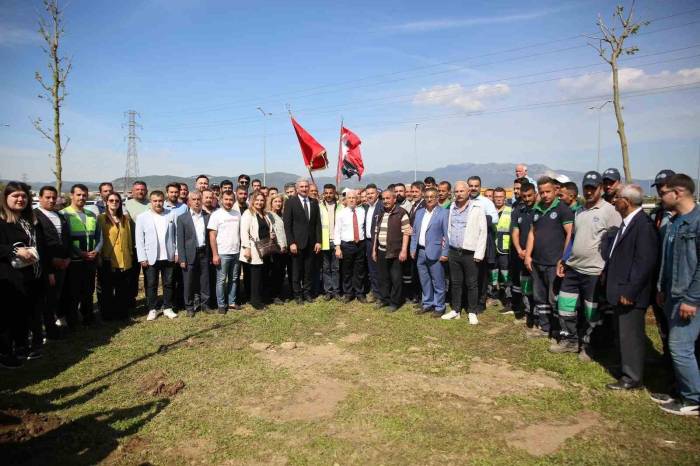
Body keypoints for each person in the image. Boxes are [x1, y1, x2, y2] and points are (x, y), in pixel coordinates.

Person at [550, 171, 620, 354]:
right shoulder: (579, 211)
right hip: (573, 268)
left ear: (600, 188)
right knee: (565, 305)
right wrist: (564, 259)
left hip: (594, 271)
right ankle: (570, 340)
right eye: (586, 188)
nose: (588, 191)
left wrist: (609, 269)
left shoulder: (610, 211)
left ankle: (590, 345)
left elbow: (616, 243)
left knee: (592, 312)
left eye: (592, 188)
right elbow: (572, 237)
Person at [604, 184, 658, 390]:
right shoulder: (628, 223)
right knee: (623, 333)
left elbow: (644, 262)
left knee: (631, 335)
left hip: (630, 293)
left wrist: (630, 291)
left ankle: (632, 378)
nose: (613, 201)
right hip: (619, 288)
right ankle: (626, 367)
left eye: (617, 198)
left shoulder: (643, 225)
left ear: (625, 202)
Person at [657, 174, 700, 416]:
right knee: (677, 346)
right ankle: (681, 391)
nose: (661, 197)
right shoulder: (675, 222)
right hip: (673, 294)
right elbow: (668, 260)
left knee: (680, 347)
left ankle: (692, 399)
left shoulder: (696, 222)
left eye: (664, 193)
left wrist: (692, 299)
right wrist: (662, 289)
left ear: (679, 192)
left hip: (689, 298)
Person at [0, 182, 43, 367]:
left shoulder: (27, 221)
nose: (20, 199)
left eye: (24, 196)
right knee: (7, 316)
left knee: (24, 314)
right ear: (5, 198)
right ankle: (5, 353)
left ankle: (22, 346)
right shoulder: (2, 221)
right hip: (8, 278)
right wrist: (15, 251)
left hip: (30, 275)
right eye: (15, 196)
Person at [524, 177, 574, 338]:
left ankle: (559, 330)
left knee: (555, 298)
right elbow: (532, 233)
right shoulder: (537, 209)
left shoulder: (562, 209)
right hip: (537, 262)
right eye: (542, 192)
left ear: (555, 191)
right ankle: (544, 327)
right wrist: (528, 256)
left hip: (554, 263)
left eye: (548, 192)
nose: (545, 195)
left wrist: (564, 258)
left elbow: (570, 234)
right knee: (540, 297)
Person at [443, 181, 488, 324]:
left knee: (471, 283)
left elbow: (483, 232)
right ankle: (455, 310)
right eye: (456, 192)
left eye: (462, 191)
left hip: (470, 252)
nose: (459, 194)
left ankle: (472, 311)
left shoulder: (477, 208)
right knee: (455, 282)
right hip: (454, 251)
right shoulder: (451, 208)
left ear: (468, 192)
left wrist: (479, 253)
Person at [62, 183, 102, 327]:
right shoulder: (64, 214)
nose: (82, 197)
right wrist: (80, 253)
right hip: (74, 260)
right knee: (73, 292)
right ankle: (73, 320)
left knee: (88, 290)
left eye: (84, 195)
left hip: (90, 259)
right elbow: (65, 239)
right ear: (71, 195)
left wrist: (96, 251)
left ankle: (88, 317)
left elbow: (99, 236)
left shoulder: (91, 214)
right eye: (78, 194)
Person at [34, 186, 71, 340]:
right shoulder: (35, 216)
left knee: (57, 296)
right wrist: (49, 267)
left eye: (53, 197)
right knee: (47, 299)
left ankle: (56, 324)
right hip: (46, 266)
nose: (51, 200)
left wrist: (68, 258)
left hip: (63, 264)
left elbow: (67, 238)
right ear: (40, 198)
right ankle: (49, 330)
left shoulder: (59, 215)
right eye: (47, 197)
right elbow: (38, 244)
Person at [135, 191, 178, 321]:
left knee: (169, 283)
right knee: (151, 284)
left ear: (164, 201)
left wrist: (176, 252)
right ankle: (152, 309)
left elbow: (176, 235)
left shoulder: (171, 214)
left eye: (160, 201)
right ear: (150, 201)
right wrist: (142, 257)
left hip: (168, 256)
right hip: (150, 257)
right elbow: (139, 239)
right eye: (155, 201)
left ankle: (167, 308)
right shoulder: (142, 217)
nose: (158, 203)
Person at [410, 187, 449, 317]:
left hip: (436, 252)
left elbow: (446, 235)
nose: (429, 199)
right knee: (424, 280)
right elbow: (414, 232)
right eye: (427, 197)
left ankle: (439, 306)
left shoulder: (444, 213)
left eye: (432, 196)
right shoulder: (420, 212)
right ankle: (427, 303)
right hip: (420, 251)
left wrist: (445, 253)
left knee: (438, 281)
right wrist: (412, 248)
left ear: (437, 198)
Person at [283, 179, 322, 304]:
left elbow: (317, 224)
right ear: (297, 188)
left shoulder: (314, 202)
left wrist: (318, 241)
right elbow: (287, 225)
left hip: (311, 243)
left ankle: (307, 293)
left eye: (306, 186)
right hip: (297, 244)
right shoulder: (290, 202)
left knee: (308, 270)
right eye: (302, 186)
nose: (304, 189)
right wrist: (291, 242)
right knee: (296, 271)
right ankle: (297, 295)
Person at [372, 189, 411, 312]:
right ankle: (385, 299)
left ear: (394, 199)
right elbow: (376, 233)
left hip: (395, 252)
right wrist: (374, 250)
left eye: (388, 198)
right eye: (383, 199)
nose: (385, 201)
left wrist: (404, 250)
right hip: (381, 250)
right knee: (383, 278)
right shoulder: (381, 213)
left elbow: (406, 233)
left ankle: (395, 302)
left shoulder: (401, 213)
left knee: (396, 278)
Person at [97, 192, 134, 321]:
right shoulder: (101, 218)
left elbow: (128, 238)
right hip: (108, 259)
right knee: (107, 289)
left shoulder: (125, 219)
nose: (114, 203)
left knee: (122, 288)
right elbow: (98, 239)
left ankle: (121, 313)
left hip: (124, 259)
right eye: (111, 200)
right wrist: (99, 256)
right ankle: (107, 314)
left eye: (117, 201)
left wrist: (130, 253)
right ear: (106, 202)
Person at [177, 191, 211, 317]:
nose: (197, 201)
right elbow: (180, 240)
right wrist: (182, 258)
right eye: (194, 199)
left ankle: (205, 304)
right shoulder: (182, 218)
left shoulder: (207, 216)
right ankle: (189, 306)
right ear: (189, 202)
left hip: (204, 252)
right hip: (189, 254)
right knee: (188, 281)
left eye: (198, 199)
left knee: (205, 280)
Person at [208, 191, 242, 313]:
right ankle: (221, 304)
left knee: (233, 278)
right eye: (226, 199)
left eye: (231, 199)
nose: (228, 202)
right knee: (221, 280)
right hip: (222, 253)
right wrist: (215, 254)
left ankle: (232, 302)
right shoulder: (216, 215)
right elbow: (212, 236)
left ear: (234, 200)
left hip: (236, 252)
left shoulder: (237, 214)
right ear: (221, 200)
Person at [240, 192, 274, 310]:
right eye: (257, 200)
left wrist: (271, 233)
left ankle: (261, 296)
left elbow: (268, 228)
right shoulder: (248, 213)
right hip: (253, 249)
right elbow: (244, 232)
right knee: (255, 276)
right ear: (252, 201)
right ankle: (255, 301)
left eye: (261, 200)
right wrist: (247, 248)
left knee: (263, 274)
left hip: (265, 248)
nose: (259, 202)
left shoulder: (264, 214)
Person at [334, 190, 367, 303]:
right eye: (350, 198)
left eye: (354, 197)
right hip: (347, 245)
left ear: (357, 199)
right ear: (346, 200)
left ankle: (360, 293)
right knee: (347, 271)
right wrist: (337, 247)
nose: (352, 200)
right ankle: (348, 293)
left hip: (360, 244)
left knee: (359, 270)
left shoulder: (362, 211)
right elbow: (337, 231)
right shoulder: (341, 213)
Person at [511, 182, 537, 323]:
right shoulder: (518, 211)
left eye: (529, 196)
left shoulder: (539, 210)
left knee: (539, 288)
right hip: (521, 255)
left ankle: (540, 317)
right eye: (524, 196)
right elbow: (515, 232)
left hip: (537, 256)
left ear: (535, 194)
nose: (527, 199)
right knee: (526, 287)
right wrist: (520, 250)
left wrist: (529, 252)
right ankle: (528, 312)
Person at [124, 180, 149, 310]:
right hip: (132, 247)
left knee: (149, 276)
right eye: (137, 189)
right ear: (132, 191)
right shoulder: (126, 205)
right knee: (132, 276)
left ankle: (150, 300)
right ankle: (131, 301)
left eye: (142, 189)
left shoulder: (151, 204)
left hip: (148, 248)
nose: (140, 191)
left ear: (146, 191)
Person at [492, 187, 512, 310]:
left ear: (505, 198)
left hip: (505, 249)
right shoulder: (490, 211)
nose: (498, 199)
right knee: (492, 274)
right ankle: (493, 295)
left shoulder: (510, 211)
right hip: (492, 250)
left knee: (506, 275)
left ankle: (508, 299)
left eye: (501, 197)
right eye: (496, 197)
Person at [320, 184, 341, 300]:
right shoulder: (319, 207)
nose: (328, 195)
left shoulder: (341, 207)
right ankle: (328, 291)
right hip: (324, 242)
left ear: (334, 193)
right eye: (326, 193)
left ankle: (336, 290)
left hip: (337, 242)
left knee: (336, 268)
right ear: (323, 194)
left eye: (330, 193)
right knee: (326, 268)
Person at [267, 194, 288, 304]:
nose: (278, 204)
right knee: (275, 272)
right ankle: (273, 295)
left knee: (281, 272)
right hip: (275, 248)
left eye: (280, 201)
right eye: (275, 201)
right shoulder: (269, 215)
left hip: (284, 248)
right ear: (271, 203)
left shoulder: (283, 215)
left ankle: (279, 292)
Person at [364, 183, 381, 302]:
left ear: (377, 194)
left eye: (372, 193)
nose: (370, 195)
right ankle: (375, 292)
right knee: (372, 269)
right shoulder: (366, 208)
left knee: (380, 269)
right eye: (368, 193)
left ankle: (381, 293)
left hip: (379, 242)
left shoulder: (381, 206)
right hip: (368, 242)